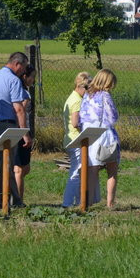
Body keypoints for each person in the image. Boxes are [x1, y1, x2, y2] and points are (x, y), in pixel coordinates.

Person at [0, 51, 31, 209]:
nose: (23, 71)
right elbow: (19, 109)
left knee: (5, 165)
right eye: (23, 68)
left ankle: (16, 201)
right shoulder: (13, 80)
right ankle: (0, 203)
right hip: (6, 125)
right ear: (18, 64)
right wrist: (25, 133)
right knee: (6, 166)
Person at [79, 69, 120, 208]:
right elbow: (113, 117)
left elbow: (82, 116)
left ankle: (88, 201)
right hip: (106, 136)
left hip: (90, 136)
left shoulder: (87, 95)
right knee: (112, 170)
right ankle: (110, 203)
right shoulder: (105, 96)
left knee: (92, 171)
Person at [62, 72, 91, 207]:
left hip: (70, 140)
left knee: (80, 172)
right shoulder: (77, 101)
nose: (88, 92)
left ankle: (80, 201)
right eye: (87, 88)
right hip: (76, 140)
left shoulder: (72, 97)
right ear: (80, 86)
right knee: (76, 172)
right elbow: (75, 122)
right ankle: (68, 203)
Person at [13, 65, 36, 203]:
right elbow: (19, 112)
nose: (33, 79)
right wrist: (24, 133)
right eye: (32, 76)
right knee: (20, 170)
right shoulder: (24, 94)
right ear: (24, 76)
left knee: (25, 168)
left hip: (18, 131)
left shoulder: (16, 91)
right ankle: (18, 200)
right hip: (21, 132)